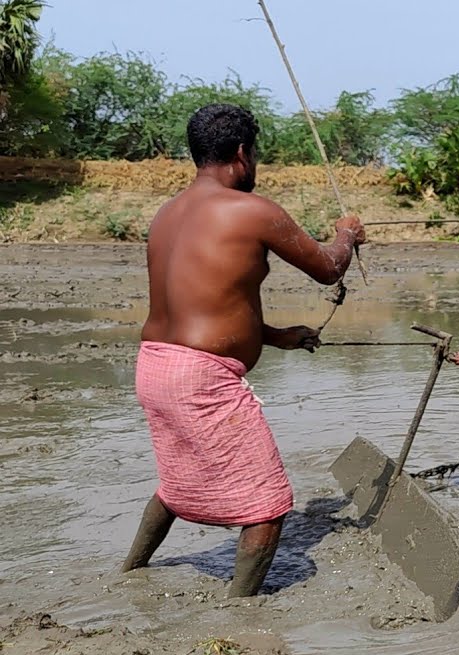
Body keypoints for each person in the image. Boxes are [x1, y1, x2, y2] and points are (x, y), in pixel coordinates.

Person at [121, 104, 366, 597]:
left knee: (177, 481)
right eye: (254, 154)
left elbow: (202, 306)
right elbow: (327, 267)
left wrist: (276, 336)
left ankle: (129, 574)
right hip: (200, 378)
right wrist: (347, 234)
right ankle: (241, 614)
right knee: (268, 505)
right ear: (241, 153)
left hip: (155, 367)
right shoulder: (254, 211)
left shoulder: (167, 214)